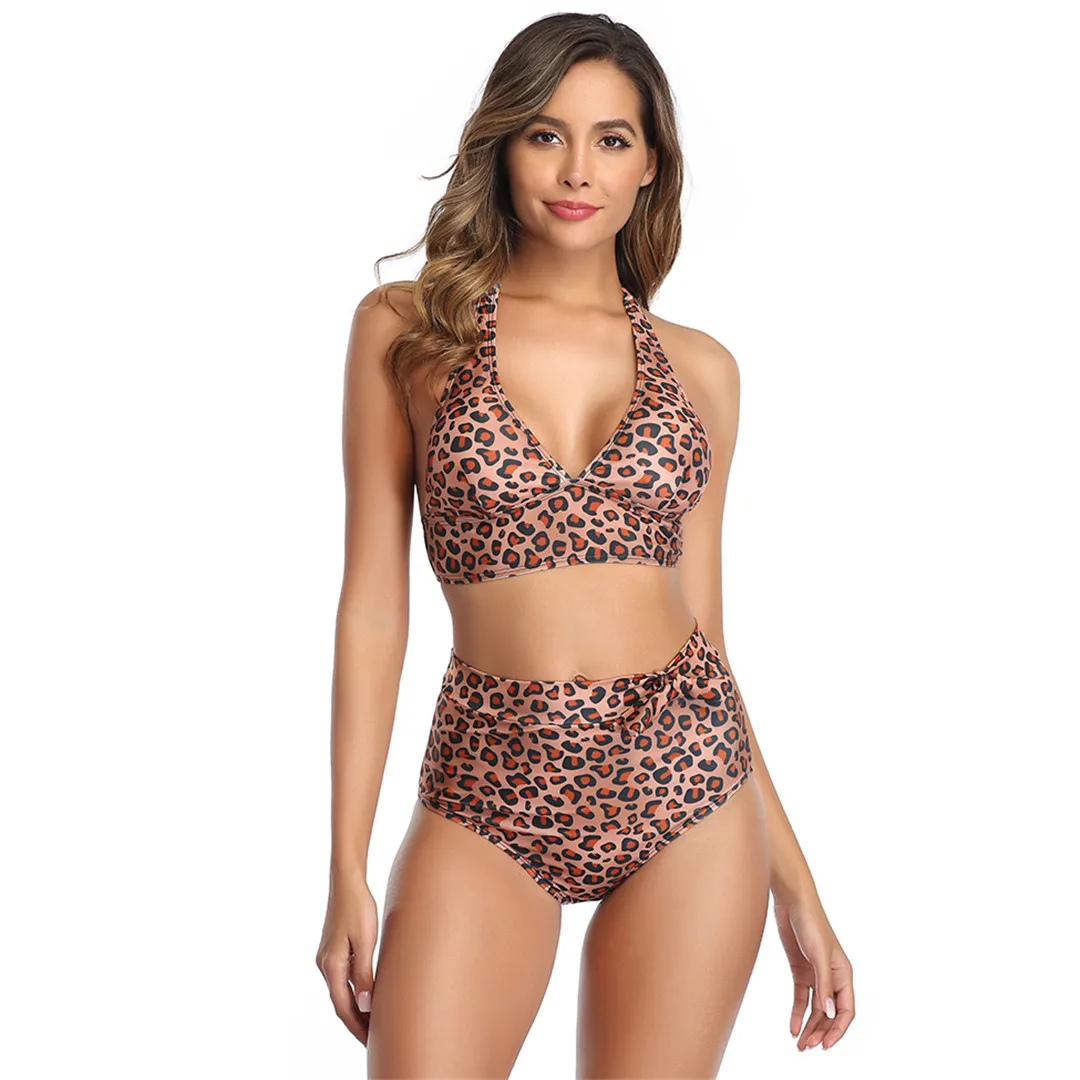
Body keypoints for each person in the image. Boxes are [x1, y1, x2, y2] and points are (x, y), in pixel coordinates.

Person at [315, 12, 855, 1076]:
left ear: (650, 163)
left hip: (688, 784)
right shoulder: (408, 330)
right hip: (486, 783)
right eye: (546, 134)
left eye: (612, 139)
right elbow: (373, 606)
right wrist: (345, 866)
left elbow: (708, 640)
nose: (577, 170)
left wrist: (797, 885)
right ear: (502, 145)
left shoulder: (701, 371)